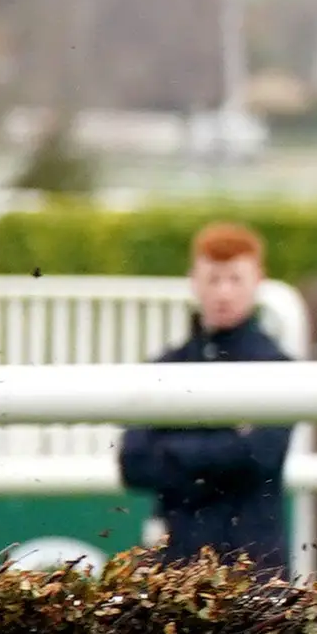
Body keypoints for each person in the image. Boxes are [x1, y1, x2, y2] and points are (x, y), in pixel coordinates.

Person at [117, 221, 296, 577]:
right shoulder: (167, 365)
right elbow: (133, 462)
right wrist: (229, 442)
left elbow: (261, 454)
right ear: (194, 281)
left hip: (253, 569)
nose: (223, 293)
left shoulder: (277, 367)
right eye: (213, 279)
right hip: (178, 565)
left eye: (235, 279)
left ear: (257, 280)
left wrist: (173, 449)